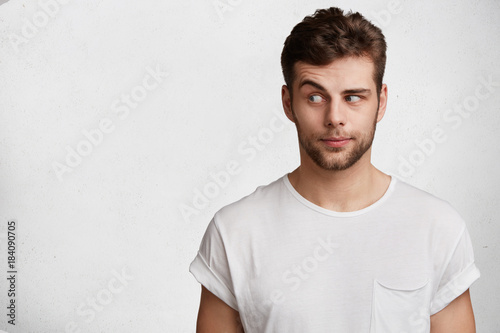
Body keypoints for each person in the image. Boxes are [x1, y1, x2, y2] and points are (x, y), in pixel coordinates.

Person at [189, 6, 480, 332]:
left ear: (381, 102)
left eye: (353, 97)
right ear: (288, 104)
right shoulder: (235, 232)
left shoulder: (437, 227)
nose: (335, 117)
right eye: (315, 97)